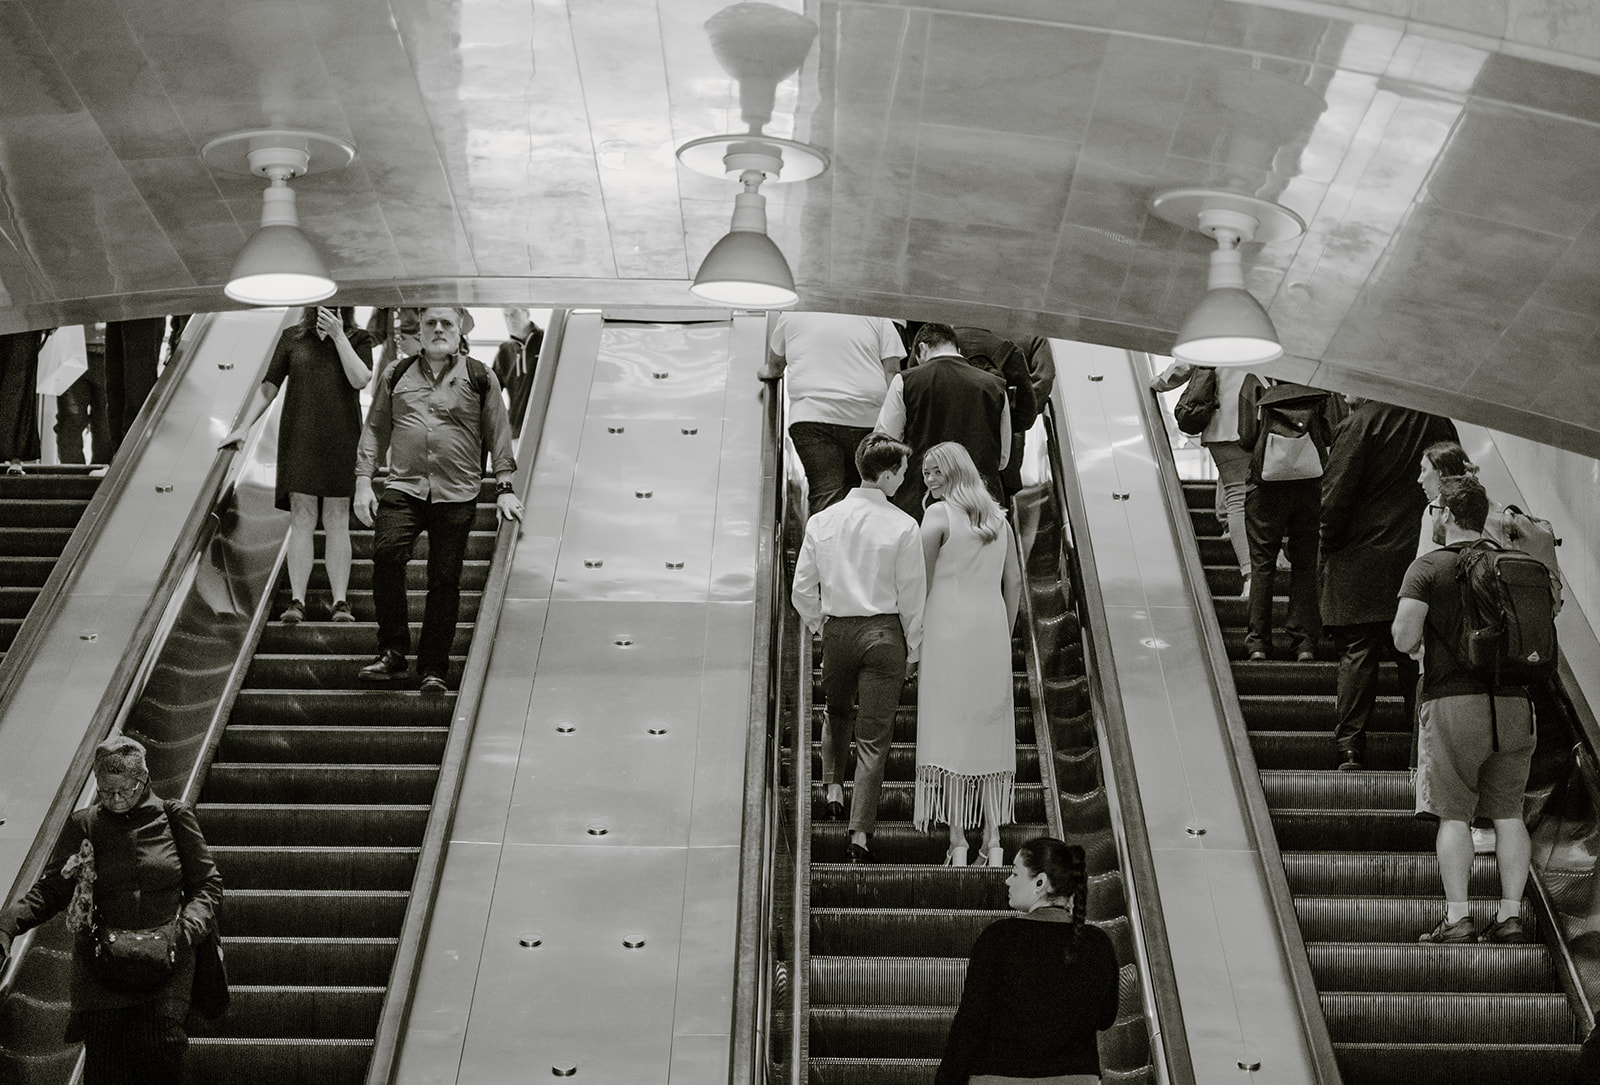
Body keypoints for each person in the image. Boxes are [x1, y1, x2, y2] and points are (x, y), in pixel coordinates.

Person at [0, 735, 223, 1084]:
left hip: (167, 960)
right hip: (103, 967)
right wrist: (7, 926)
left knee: (163, 1050)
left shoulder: (173, 818)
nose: (116, 800)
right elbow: (52, 889)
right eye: (106, 792)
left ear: (144, 780)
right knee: (106, 1065)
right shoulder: (84, 825)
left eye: (126, 791)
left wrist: (186, 930)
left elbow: (208, 885)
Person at [1394, 475, 1535, 945]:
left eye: (1434, 509)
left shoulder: (1428, 567)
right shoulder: (1515, 564)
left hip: (1454, 702)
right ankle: (1511, 916)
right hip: (1516, 703)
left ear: (1448, 514)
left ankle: (1458, 919)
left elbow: (1403, 637)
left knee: (1454, 815)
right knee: (1509, 814)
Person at [354, 306, 521, 692]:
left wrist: (505, 486)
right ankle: (393, 652)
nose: (438, 329)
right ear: (421, 330)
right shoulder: (396, 372)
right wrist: (364, 481)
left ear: (460, 328)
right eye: (431, 323)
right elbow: (375, 428)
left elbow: (498, 430)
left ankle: (433, 668)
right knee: (385, 556)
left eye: (446, 322)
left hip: (457, 491)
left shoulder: (480, 375)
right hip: (404, 487)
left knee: (444, 580)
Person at [791, 434, 925, 864]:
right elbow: (911, 597)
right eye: (902, 472)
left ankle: (832, 788)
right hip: (884, 634)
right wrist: (914, 648)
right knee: (874, 739)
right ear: (886, 475)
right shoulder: (904, 525)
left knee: (836, 709)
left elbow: (801, 589)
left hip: (838, 631)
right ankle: (859, 835)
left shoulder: (822, 521)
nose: (904, 480)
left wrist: (819, 624)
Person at [1319, 397, 1457, 771]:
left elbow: (1335, 494)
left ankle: (1350, 750)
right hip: (1419, 556)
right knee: (1414, 658)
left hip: (1359, 558)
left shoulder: (1360, 423)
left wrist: (1329, 544)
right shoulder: (1437, 419)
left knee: (1358, 654)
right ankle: (1422, 754)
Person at [222, 306, 375, 624]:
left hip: (342, 436)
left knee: (336, 517)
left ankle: (340, 602)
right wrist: (243, 428)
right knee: (302, 516)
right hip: (300, 436)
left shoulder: (358, 337)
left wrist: (338, 335)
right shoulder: (292, 337)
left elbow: (360, 379)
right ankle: (297, 600)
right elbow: (269, 387)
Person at [935, 836, 1120, 1085]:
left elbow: (970, 1023)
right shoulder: (1097, 942)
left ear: (1040, 882)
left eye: (1015, 873)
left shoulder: (999, 937)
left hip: (1000, 1078)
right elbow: (1106, 1018)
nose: (1007, 881)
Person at [913, 442, 1021, 867]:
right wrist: (1004, 630)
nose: (929, 479)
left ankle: (958, 838)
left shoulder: (938, 516)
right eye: (924, 473)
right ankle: (993, 841)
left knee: (951, 727)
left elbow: (918, 581)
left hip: (946, 630)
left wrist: (915, 637)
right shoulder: (1000, 520)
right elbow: (1012, 583)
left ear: (955, 471)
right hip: (990, 629)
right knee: (990, 728)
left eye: (936, 471)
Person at [1237, 379, 1341, 662]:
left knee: (1262, 565)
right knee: (1306, 564)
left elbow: (1246, 436)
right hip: (1310, 485)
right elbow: (1332, 432)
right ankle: (1304, 643)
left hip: (1265, 487)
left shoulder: (1255, 378)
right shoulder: (1317, 377)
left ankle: (1258, 643)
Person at [763, 312, 905, 515]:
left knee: (826, 496)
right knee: (873, 496)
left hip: (812, 418)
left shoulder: (791, 315)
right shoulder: (876, 314)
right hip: (868, 421)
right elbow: (892, 372)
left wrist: (767, 373)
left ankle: (827, 543)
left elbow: (775, 366)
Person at [875, 322, 1011, 519]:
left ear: (922, 348)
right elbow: (1003, 458)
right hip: (979, 501)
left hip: (920, 499)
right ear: (957, 348)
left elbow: (886, 444)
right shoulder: (995, 386)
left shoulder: (905, 381)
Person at [1151, 363, 1257, 593]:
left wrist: (1158, 382)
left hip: (1223, 425)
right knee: (1262, 497)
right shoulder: (1262, 331)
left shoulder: (1215, 331)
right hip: (1259, 420)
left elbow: (1186, 364)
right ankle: (1270, 560)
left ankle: (1251, 576)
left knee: (1237, 496)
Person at [952, 326, 1037, 498]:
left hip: (942, 462)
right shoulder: (1009, 350)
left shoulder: (935, 343)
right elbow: (1026, 415)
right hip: (993, 463)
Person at [493, 307, 544, 437]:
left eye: (514, 314)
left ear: (526, 313)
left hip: (545, 427)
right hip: (516, 431)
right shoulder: (504, 351)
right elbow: (491, 392)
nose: (510, 320)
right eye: (506, 316)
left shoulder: (547, 340)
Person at [0, 330, 45, 474]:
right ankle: (16, 458)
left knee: (20, 383)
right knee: (19, 384)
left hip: (24, 321)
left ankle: (16, 457)